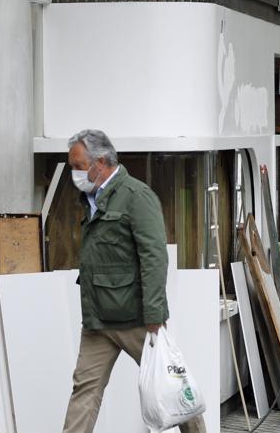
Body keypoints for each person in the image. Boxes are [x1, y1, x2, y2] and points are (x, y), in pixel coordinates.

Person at [61, 130, 205, 433]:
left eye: (77, 165)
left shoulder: (137, 196)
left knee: (171, 382)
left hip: (137, 318)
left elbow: (154, 256)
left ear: (100, 162)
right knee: (84, 392)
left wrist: (154, 315)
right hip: (98, 321)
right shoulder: (90, 199)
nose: (73, 173)